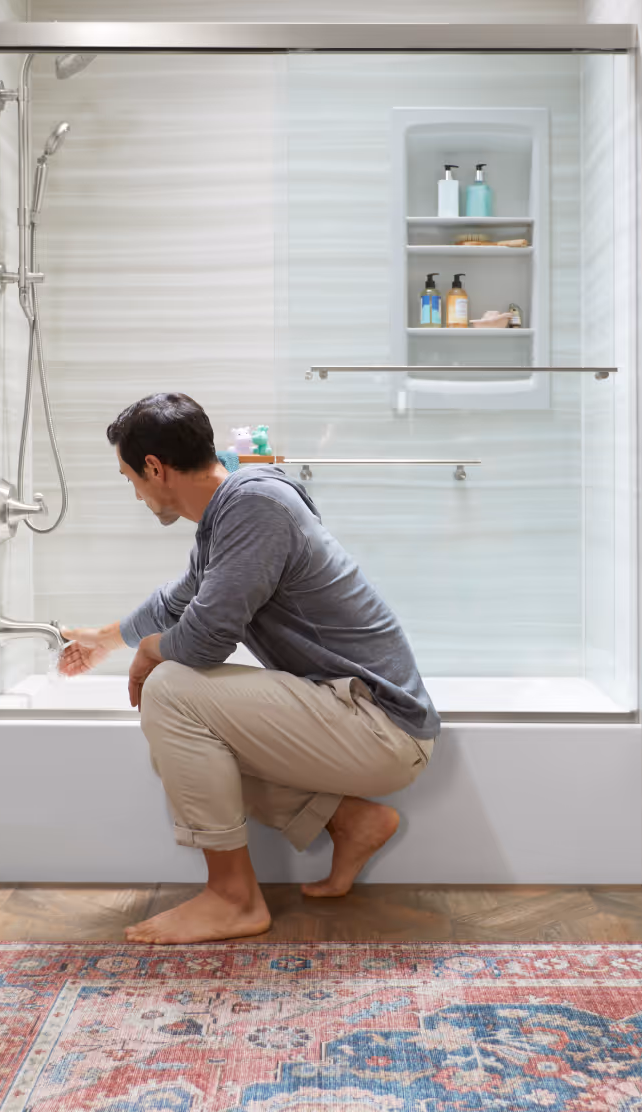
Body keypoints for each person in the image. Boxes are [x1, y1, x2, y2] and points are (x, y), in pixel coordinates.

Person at [60, 393, 440, 944]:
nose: (136, 493)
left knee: (170, 691)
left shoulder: (253, 508)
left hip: (380, 724)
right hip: (352, 713)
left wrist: (148, 654)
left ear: (154, 468)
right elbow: (178, 601)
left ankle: (233, 899)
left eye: (130, 479)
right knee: (183, 722)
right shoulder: (232, 509)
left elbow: (207, 639)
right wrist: (106, 640)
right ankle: (349, 821)